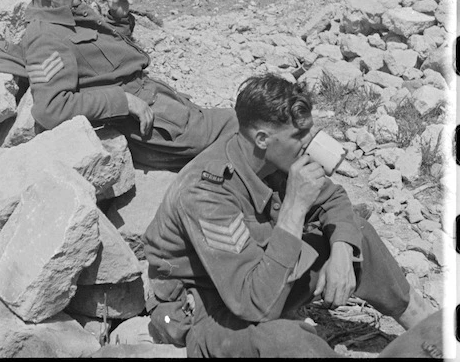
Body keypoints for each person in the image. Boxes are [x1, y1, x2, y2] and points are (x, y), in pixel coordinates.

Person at [143, 73, 437, 358]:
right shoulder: (205, 193)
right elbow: (253, 306)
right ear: (262, 139)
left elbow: (333, 199)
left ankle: (429, 330)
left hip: (265, 274)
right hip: (211, 309)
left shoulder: (275, 154)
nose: (309, 142)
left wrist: (343, 253)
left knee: (354, 231)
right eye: (299, 135)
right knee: (288, 342)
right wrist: (295, 205)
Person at [14, 0, 238, 170]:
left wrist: (117, 18)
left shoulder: (68, 11)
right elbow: (51, 109)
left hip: (159, 100)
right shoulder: (44, 37)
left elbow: (104, 58)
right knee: (246, 126)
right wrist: (123, 101)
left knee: (248, 130)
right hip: (150, 121)